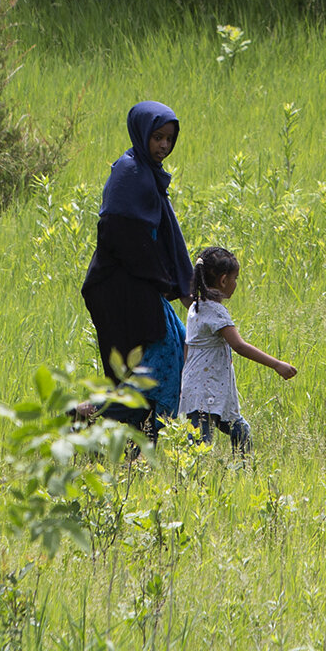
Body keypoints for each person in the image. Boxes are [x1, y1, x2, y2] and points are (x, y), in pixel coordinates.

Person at [81, 102, 193, 440]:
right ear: (142, 133)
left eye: (169, 139)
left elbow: (160, 237)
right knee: (154, 365)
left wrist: (176, 282)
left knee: (175, 349)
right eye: (157, 137)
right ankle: (90, 414)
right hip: (119, 290)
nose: (163, 145)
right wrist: (166, 280)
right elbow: (120, 236)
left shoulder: (147, 174)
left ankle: (136, 440)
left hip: (139, 286)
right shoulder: (130, 173)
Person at [179, 246, 297, 453]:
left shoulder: (195, 307)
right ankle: (195, 481)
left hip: (201, 388)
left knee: (238, 430)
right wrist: (277, 364)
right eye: (236, 279)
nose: (236, 284)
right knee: (200, 446)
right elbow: (239, 345)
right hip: (206, 392)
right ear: (223, 281)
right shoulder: (216, 312)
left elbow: (189, 345)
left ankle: (243, 474)